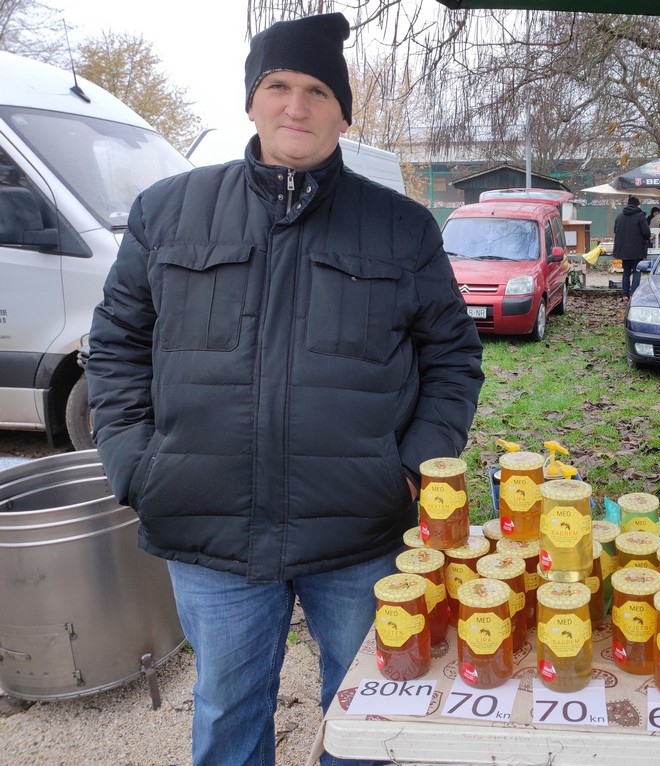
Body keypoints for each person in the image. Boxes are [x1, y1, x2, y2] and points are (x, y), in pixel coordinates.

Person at [85, 13, 484, 766]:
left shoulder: (401, 229)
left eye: (318, 91)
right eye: (277, 86)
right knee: (227, 713)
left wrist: (409, 469)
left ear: (343, 114)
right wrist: (137, 465)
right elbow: (115, 347)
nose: (296, 106)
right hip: (209, 530)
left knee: (366, 710)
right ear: (251, 101)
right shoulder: (166, 213)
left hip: (359, 531)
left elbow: (453, 358)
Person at [613, 195, 651, 300]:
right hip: (637, 250)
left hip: (623, 250)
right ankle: (633, 294)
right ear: (637, 205)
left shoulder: (619, 216)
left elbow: (615, 231)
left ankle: (625, 294)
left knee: (626, 272)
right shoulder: (640, 216)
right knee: (637, 271)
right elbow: (646, 232)